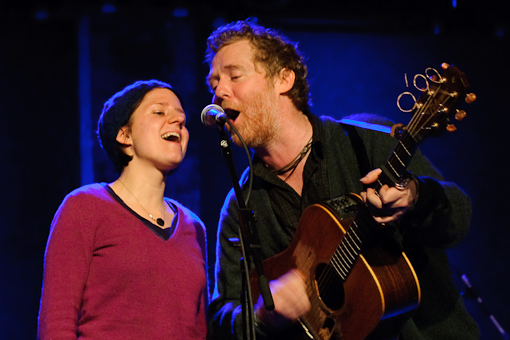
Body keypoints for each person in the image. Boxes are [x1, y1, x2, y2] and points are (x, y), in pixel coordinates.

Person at [205, 20, 480, 340]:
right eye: (214, 82)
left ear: (283, 78)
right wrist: (262, 315)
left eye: (234, 76)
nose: (219, 92)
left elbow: (460, 216)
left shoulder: (365, 142)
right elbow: (223, 313)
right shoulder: (242, 204)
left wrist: (415, 196)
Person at [38, 80, 208, 339]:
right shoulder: (85, 207)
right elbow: (57, 322)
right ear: (124, 135)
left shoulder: (193, 227)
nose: (177, 121)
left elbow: (198, 329)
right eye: (159, 112)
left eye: (181, 118)